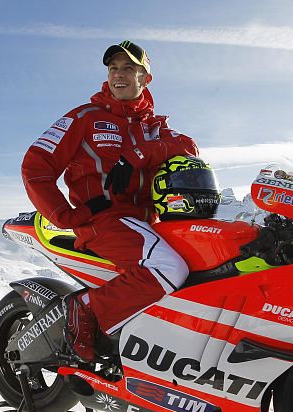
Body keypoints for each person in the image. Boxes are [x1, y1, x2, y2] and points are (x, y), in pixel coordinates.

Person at [21, 40, 199, 362]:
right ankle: (84, 309)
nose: (119, 74)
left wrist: (139, 154)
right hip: (104, 222)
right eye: (113, 68)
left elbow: (188, 148)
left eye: (128, 68)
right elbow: (35, 166)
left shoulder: (155, 127)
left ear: (145, 77)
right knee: (168, 267)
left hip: (147, 225)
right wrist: (63, 215)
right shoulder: (84, 118)